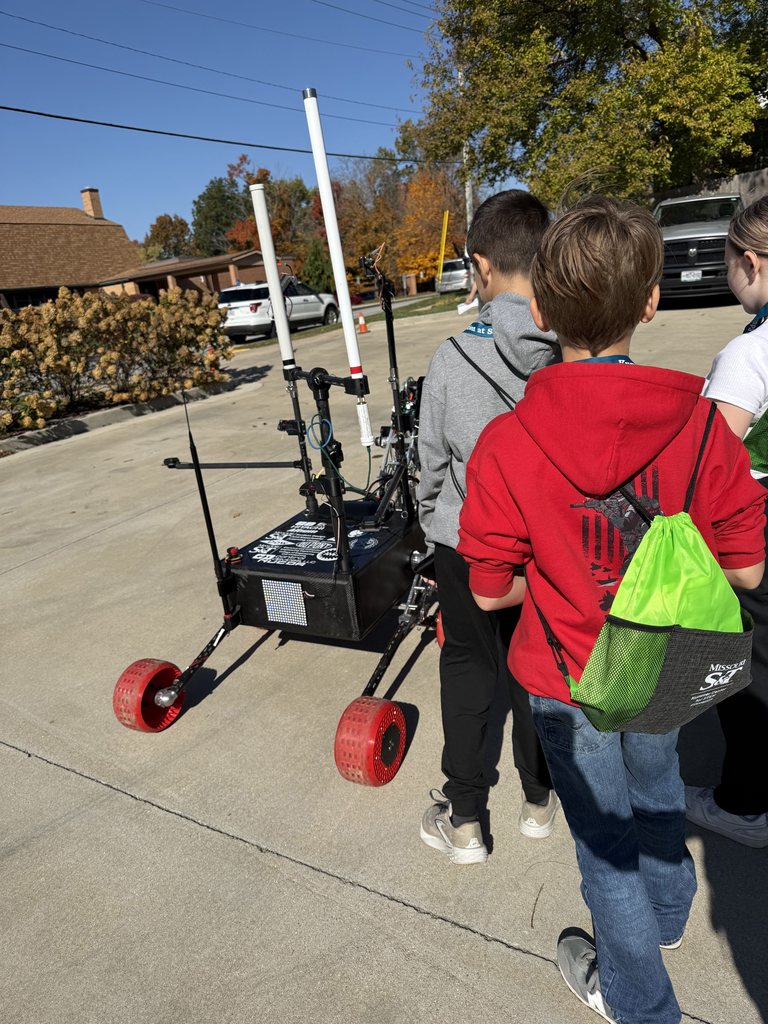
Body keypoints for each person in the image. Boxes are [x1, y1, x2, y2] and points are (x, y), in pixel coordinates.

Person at [457, 197, 765, 1022]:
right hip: (663, 654)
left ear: (544, 312)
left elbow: (488, 588)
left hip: (564, 670)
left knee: (604, 848)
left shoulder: (506, 444)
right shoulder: (704, 428)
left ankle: (637, 1000)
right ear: (652, 301)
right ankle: (668, 914)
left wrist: (558, 581)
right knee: (659, 781)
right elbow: (749, 567)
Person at [416, 189, 560, 865]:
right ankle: (539, 799)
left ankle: (467, 819)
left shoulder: (450, 356)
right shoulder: (568, 346)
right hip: (542, 542)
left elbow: (430, 463)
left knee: (469, 668)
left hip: (466, 538)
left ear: (479, 264)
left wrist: (432, 520)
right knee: (537, 668)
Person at [685, 195, 768, 848]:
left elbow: (710, 468)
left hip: (758, 535)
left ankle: (743, 805)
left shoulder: (748, 355)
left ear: (750, 263)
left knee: (751, 672)